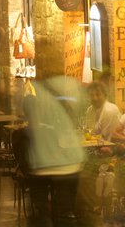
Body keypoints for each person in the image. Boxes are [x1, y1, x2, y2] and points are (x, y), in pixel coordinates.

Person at [13, 75, 85, 227]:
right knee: (64, 213)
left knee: (42, 212)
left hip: (41, 168)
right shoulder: (69, 93)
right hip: (68, 166)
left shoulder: (22, 133)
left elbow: (22, 158)